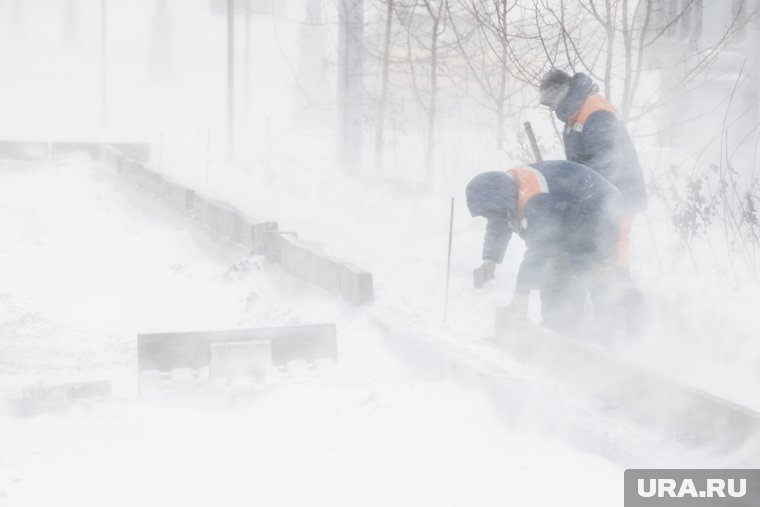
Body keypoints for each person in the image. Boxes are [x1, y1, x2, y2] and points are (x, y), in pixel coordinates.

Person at [467, 160, 627, 336]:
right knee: (555, 268)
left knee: (588, 267)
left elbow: (540, 250)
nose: (493, 216)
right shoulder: (506, 189)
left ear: (500, 199)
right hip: (570, 212)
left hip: (597, 208)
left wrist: (521, 295)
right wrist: (490, 260)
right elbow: (498, 222)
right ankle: (558, 326)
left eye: (492, 212)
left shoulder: (535, 196)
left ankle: (613, 332)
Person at [538, 69, 646, 267]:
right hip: (599, 191)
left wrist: (584, 192)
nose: (552, 109)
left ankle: (622, 290)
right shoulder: (575, 114)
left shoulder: (595, 112)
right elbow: (579, 162)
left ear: (560, 95)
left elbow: (607, 160)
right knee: (596, 245)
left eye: (551, 103)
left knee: (614, 246)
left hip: (619, 190)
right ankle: (602, 286)